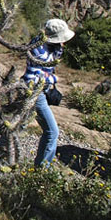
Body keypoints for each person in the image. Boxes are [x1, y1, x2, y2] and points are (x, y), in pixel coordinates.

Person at [22, 18, 74, 168]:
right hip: (35, 92)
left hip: (37, 90)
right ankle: (42, 169)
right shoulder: (39, 51)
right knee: (52, 132)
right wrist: (54, 79)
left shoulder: (49, 44)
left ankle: (0, 154)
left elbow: (52, 62)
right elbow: (35, 76)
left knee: (20, 123)